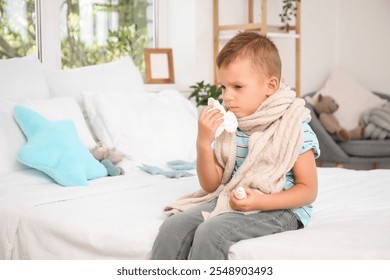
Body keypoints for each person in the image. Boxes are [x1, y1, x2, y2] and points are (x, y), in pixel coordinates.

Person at [151, 31, 320, 260]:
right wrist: (203, 142)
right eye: (223, 87)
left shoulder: (293, 127)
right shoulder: (231, 125)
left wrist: (260, 201)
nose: (227, 97)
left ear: (270, 85)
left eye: (238, 87)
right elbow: (212, 185)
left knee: (212, 233)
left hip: (281, 208)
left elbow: (308, 190)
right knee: (172, 229)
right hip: (234, 198)